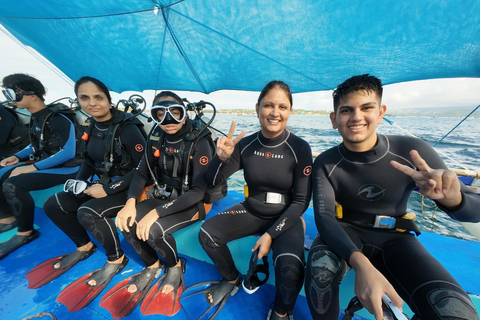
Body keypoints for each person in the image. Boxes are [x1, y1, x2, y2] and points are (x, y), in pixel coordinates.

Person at [305, 74, 480, 320]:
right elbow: (324, 217)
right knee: (320, 269)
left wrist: (452, 200)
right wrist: (361, 263)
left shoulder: (412, 151)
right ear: (334, 119)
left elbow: (475, 210)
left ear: (381, 112)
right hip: (346, 233)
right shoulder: (326, 162)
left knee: (454, 310)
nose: (356, 117)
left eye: (366, 108)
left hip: (396, 238)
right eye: (346, 110)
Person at [27, 76, 146, 311]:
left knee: (88, 213)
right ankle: (84, 246)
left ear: (109, 100)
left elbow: (144, 169)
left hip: (130, 187)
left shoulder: (129, 129)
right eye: (84, 98)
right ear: (79, 101)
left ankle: (116, 259)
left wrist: (109, 189)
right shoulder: (90, 126)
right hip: (102, 183)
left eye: (98, 97)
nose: (92, 103)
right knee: (55, 204)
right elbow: (89, 161)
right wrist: (77, 183)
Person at [196, 80, 312, 320]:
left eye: (282, 107)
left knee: (290, 267)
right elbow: (212, 181)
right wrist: (221, 159)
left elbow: (301, 201)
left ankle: (280, 312)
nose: (275, 113)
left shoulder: (300, 148)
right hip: (251, 209)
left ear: (290, 111)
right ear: (258, 107)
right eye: (268, 105)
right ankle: (230, 279)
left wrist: (271, 234)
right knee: (207, 234)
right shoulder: (246, 145)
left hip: (286, 216)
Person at [110, 91, 217, 318]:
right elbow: (141, 173)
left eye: (174, 113)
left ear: (184, 114)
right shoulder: (156, 137)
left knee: (153, 230)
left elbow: (199, 191)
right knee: (125, 220)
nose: (168, 121)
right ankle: (152, 265)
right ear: (154, 116)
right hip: (166, 196)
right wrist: (130, 203)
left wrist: (156, 213)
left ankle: (175, 266)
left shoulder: (199, 141)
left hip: (195, 201)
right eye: (160, 114)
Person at [0, 74, 81, 259]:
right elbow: (36, 145)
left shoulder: (58, 118)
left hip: (70, 168)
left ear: (33, 95)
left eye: (13, 93)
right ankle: (7, 218)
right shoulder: (36, 118)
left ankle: (26, 232)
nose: (11, 99)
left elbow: (69, 151)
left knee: (13, 184)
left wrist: (33, 167)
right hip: (49, 164)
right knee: (2, 174)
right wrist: (16, 156)